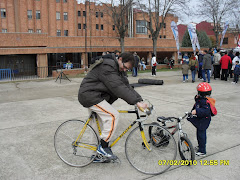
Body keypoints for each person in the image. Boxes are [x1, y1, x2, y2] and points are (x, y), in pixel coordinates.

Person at [78, 52, 148, 161]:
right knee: (113, 116)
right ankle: (103, 147)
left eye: (127, 69)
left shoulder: (119, 70)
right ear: (119, 59)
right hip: (90, 96)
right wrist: (136, 102)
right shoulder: (108, 67)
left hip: (97, 96)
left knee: (98, 127)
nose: (125, 70)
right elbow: (118, 87)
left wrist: (139, 100)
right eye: (125, 67)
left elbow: (126, 86)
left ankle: (96, 155)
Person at [187, 82, 217, 156]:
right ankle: (200, 146)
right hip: (202, 120)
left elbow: (205, 111)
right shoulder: (203, 99)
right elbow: (198, 102)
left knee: (201, 135)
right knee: (199, 134)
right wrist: (196, 97)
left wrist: (196, 111)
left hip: (203, 121)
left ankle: (202, 151)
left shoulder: (205, 102)